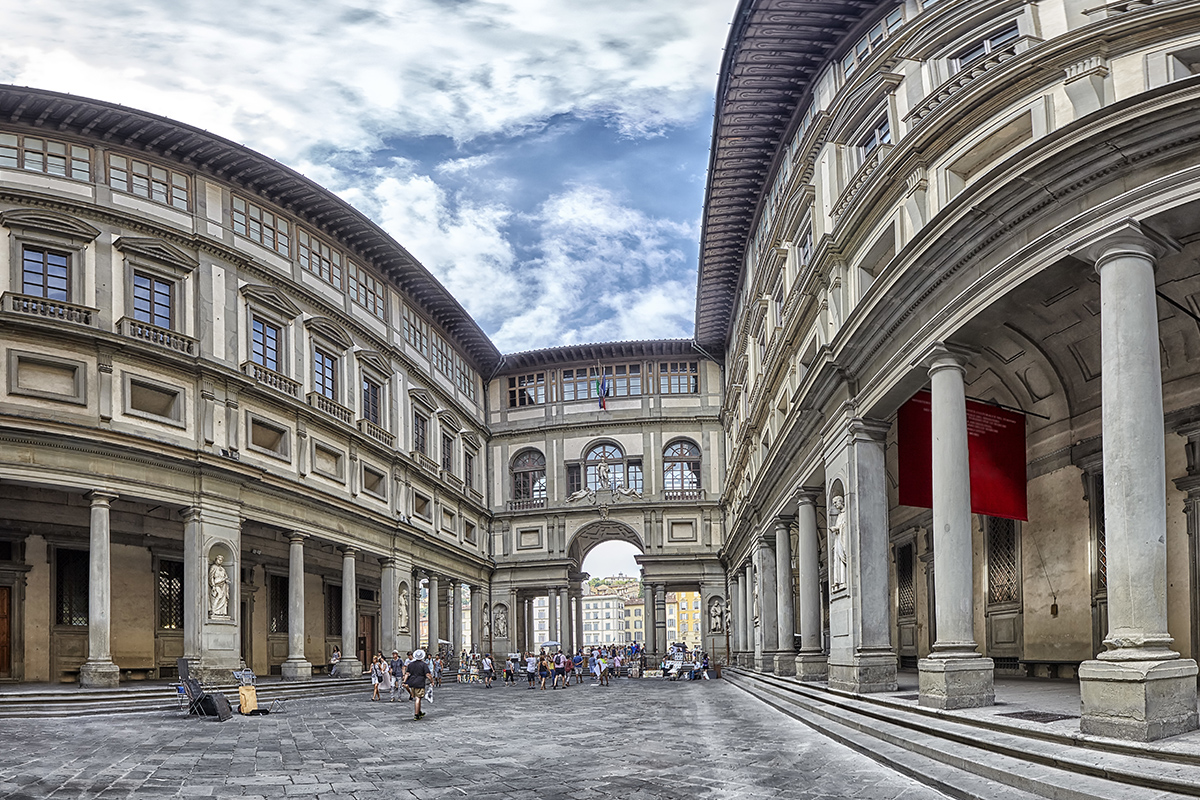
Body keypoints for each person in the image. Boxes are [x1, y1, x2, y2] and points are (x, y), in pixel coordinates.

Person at [406, 649, 432, 720]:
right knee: (418, 698)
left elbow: (407, 673)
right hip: (420, 682)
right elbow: (428, 674)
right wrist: (432, 681)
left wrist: (404, 681)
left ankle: (419, 711)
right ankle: (416, 714)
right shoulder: (423, 665)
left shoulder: (411, 664)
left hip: (412, 682)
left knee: (417, 697)